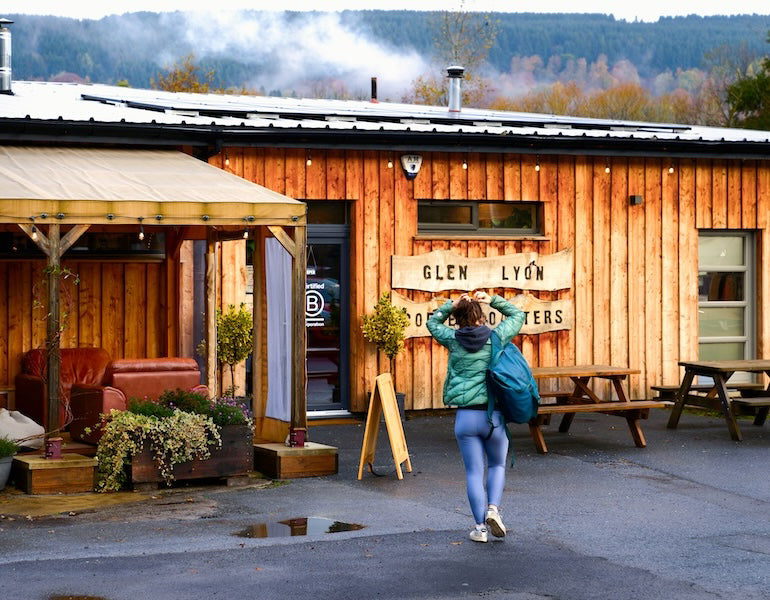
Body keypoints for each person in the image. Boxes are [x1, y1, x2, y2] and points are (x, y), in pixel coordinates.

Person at [427, 290, 525, 543]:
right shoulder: (497, 337)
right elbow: (517, 314)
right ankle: (493, 509)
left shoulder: (452, 339)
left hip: (466, 418)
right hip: (494, 416)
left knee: (473, 472)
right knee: (497, 465)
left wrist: (451, 304)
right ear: (481, 315)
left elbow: (432, 322)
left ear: (458, 319)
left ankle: (480, 528)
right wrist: (491, 300)